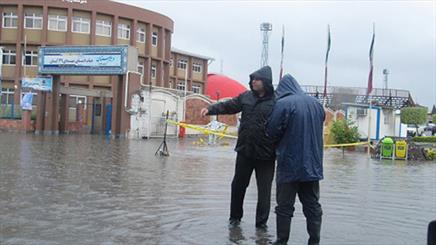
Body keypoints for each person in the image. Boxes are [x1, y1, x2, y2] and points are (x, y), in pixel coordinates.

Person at [200, 66, 276, 229]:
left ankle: (261, 225)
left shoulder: (276, 102)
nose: (253, 81)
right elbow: (229, 105)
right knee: (238, 186)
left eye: (257, 79)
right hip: (245, 151)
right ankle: (235, 219)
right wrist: (211, 109)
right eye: (252, 79)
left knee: (264, 191)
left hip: (266, 155)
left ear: (266, 82)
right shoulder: (246, 97)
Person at [266, 74, 325, 245]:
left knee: (284, 207)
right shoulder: (316, 104)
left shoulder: (283, 104)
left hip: (289, 164)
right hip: (313, 165)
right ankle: (314, 241)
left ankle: (281, 241)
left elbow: (271, 131)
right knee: (312, 205)